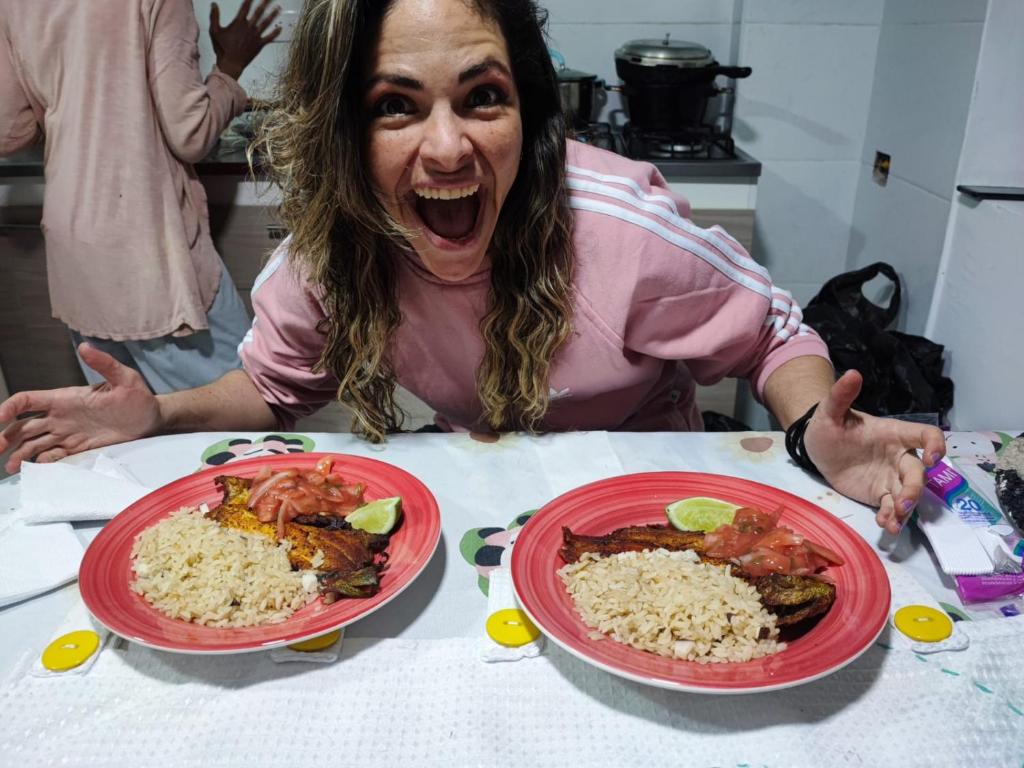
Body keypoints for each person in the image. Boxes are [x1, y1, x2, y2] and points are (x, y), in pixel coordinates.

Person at [0, 0, 945, 535]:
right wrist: (159, 413)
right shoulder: (335, 249)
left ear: (527, 115)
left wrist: (815, 427)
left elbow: (775, 333)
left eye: (483, 97)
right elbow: (271, 388)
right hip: (480, 499)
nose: (448, 148)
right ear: (345, 134)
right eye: (395, 106)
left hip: (649, 501)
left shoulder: (621, 229)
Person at [0, 0, 281, 393]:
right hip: (148, 251)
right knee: (238, 427)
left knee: (129, 433)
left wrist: (75, 103)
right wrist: (230, 68)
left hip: (75, 249)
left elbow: (10, 131)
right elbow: (191, 133)